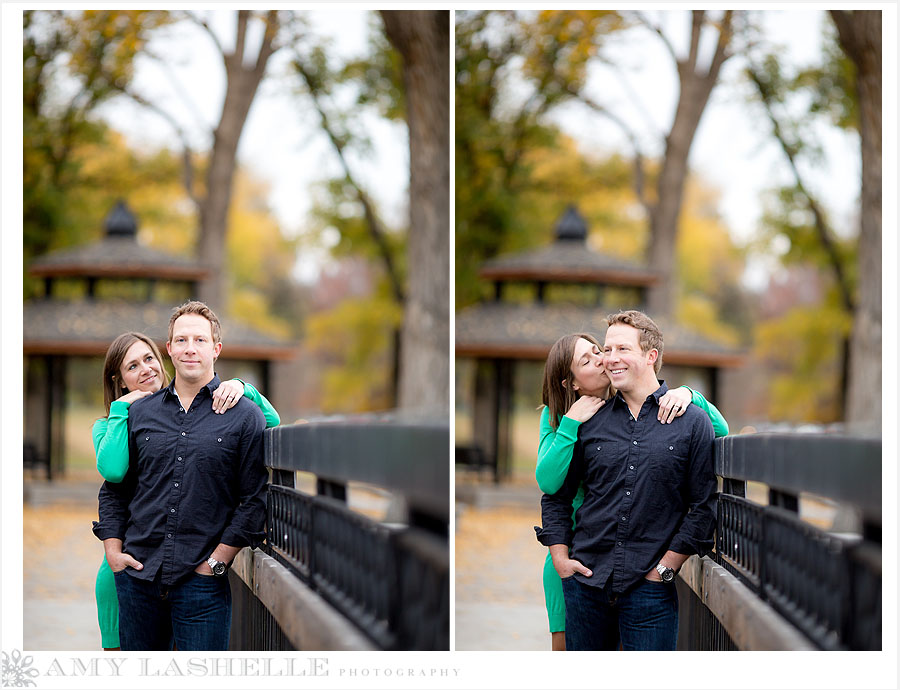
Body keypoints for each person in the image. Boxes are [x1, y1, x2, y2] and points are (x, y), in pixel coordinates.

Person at [93, 301, 269, 651]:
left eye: (200, 340)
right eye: (182, 340)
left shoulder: (244, 416)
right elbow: (114, 491)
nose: (191, 348)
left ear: (216, 349)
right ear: (169, 348)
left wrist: (217, 562)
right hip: (137, 578)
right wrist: (113, 550)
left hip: (201, 584)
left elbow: (254, 499)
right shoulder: (138, 414)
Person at [535, 332, 728, 650]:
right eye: (589, 359)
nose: (603, 359)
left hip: (641, 571)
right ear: (570, 383)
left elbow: (718, 433)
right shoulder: (562, 417)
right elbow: (550, 485)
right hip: (578, 561)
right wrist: (570, 422)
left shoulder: (628, 403)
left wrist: (689, 395)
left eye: (602, 350)